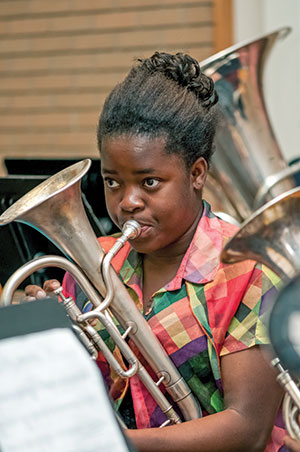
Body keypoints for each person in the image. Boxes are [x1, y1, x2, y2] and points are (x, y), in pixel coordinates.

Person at [25, 51, 286, 452]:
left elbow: (246, 427)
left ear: (196, 174)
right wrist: (45, 337)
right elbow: (77, 397)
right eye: (113, 182)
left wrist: (116, 443)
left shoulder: (246, 269)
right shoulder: (93, 265)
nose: (127, 202)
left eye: (149, 182)